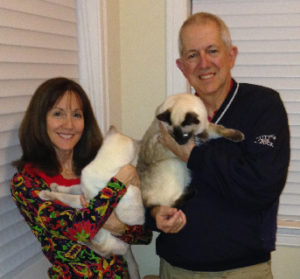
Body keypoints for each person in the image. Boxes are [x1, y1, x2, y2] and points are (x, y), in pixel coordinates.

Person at [148, 12, 290, 279]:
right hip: (176, 269)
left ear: (231, 55)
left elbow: (261, 185)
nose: (204, 63)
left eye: (212, 50)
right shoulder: (172, 115)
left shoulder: (263, 106)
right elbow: (147, 175)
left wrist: (192, 155)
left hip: (243, 270)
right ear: (181, 66)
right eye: (192, 55)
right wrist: (155, 211)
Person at [11, 77, 152, 278]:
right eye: (58, 113)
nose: (69, 124)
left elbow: (144, 235)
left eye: (77, 115)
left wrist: (120, 227)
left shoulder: (97, 164)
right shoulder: (27, 182)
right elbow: (82, 230)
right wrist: (120, 182)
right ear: (40, 120)